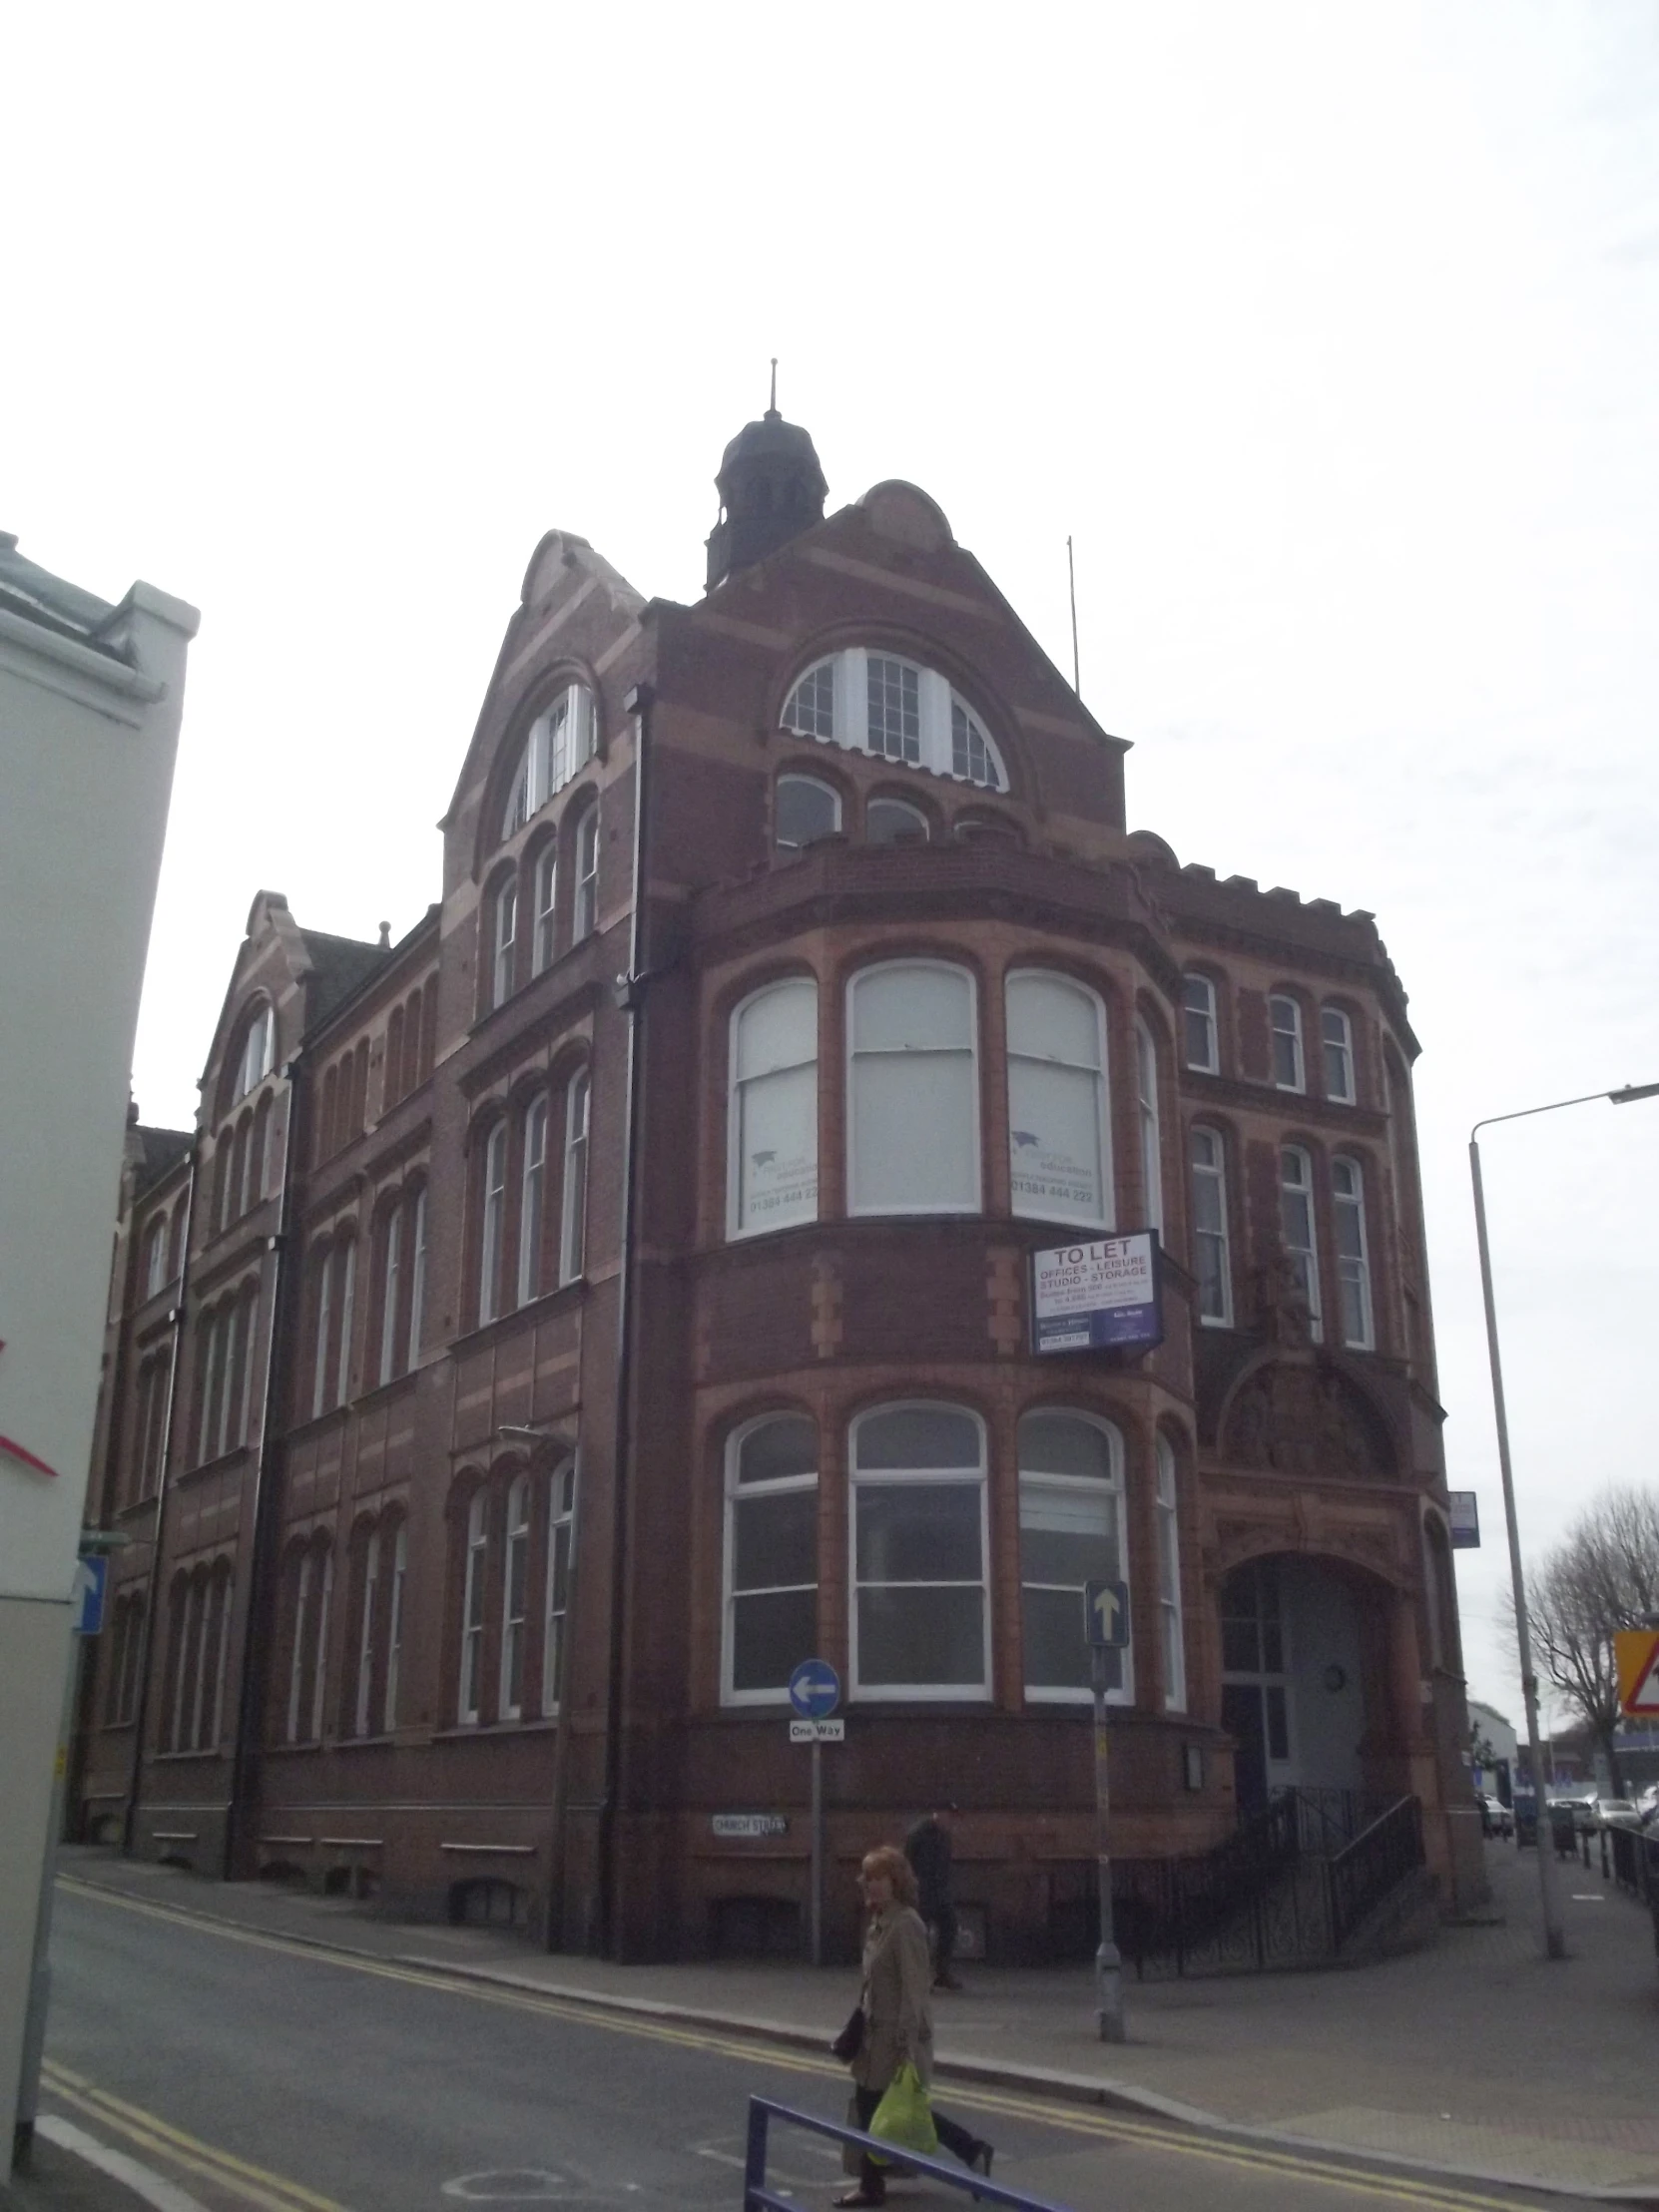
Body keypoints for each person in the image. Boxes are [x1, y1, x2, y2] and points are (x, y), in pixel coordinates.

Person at [833, 1844, 992, 2209]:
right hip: (873, 2038)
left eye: (881, 1879)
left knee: (901, 2109)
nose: (873, 1886)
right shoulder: (879, 1922)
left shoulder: (907, 1925)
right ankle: (875, 2185)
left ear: (897, 1882)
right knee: (873, 2107)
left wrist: (907, 2046)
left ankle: (970, 2149)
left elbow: (915, 1990)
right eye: (869, 1879)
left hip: (895, 2039)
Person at [903, 1808, 961, 1990]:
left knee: (950, 1926)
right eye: (949, 1817)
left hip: (940, 1891)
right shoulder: (918, 1834)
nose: (951, 1822)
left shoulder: (944, 1836)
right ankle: (921, 1977)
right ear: (938, 1814)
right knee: (920, 1934)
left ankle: (942, 1972)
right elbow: (906, 1861)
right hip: (922, 1891)